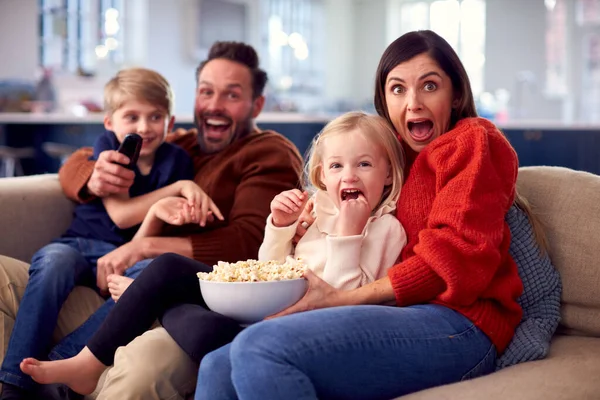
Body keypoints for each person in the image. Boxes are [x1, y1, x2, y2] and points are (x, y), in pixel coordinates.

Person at [191, 30, 556, 400]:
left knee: (260, 346)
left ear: (456, 93)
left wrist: (339, 299)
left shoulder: (472, 141)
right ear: (383, 98)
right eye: (398, 89)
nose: (412, 104)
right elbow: (338, 190)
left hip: (462, 323)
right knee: (216, 365)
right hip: (400, 313)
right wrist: (307, 225)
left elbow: (453, 259)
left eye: (429, 86)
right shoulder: (387, 154)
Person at [17, 111, 408, 395]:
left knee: (198, 325)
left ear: (388, 174)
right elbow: (267, 270)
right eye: (337, 166)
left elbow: (345, 302)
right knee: (166, 268)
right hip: (257, 310)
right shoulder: (314, 211)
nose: (349, 176)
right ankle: (90, 361)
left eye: (364, 164)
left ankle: (146, 300)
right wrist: (279, 226)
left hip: (285, 332)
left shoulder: (386, 230)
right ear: (322, 174)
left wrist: (348, 234)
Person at [0, 41, 303, 400]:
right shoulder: (184, 145)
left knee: (141, 371)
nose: (214, 106)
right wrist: (91, 176)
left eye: (231, 95)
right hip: (114, 285)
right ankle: (15, 384)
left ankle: (56, 377)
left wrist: (144, 246)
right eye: (206, 92)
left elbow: (248, 242)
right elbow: (82, 159)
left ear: (257, 105)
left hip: (176, 302)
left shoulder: (267, 152)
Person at [0, 67, 212, 400]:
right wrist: (180, 189)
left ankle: (59, 370)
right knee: (54, 260)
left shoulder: (178, 160)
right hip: (79, 245)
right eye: (132, 117)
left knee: (148, 278)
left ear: (171, 124)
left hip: (130, 255)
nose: (144, 127)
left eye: (156, 117)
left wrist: (163, 207)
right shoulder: (109, 150)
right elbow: (121, 214)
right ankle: (13, 383)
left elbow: (140, 236)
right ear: (110, 123)